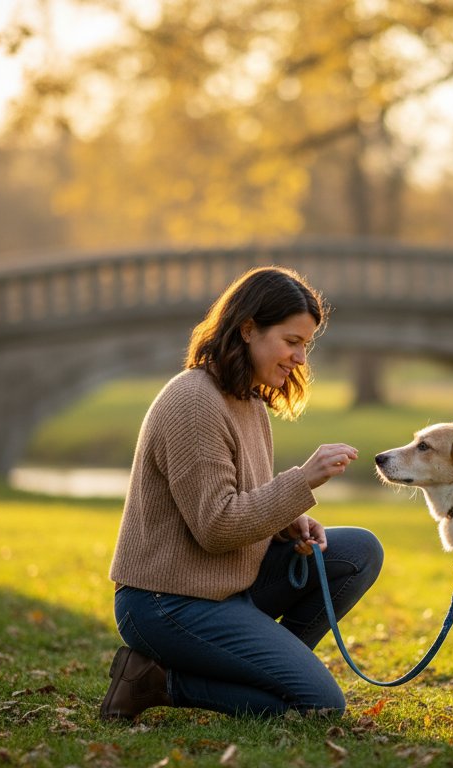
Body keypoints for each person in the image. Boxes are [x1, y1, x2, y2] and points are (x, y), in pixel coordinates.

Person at [99, 265, 383, 720]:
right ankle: (157, 680)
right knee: (319, 704)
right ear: (248, 329)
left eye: (305, 345)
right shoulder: (195, 401)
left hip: (227, 586)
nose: (300, 359)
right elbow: (215, 526)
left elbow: (237, 501)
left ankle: (268, 666)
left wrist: (286, 523)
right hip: (165, 603)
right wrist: (301, 480)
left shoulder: (249, 400)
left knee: (358, 550)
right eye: (292, 342)